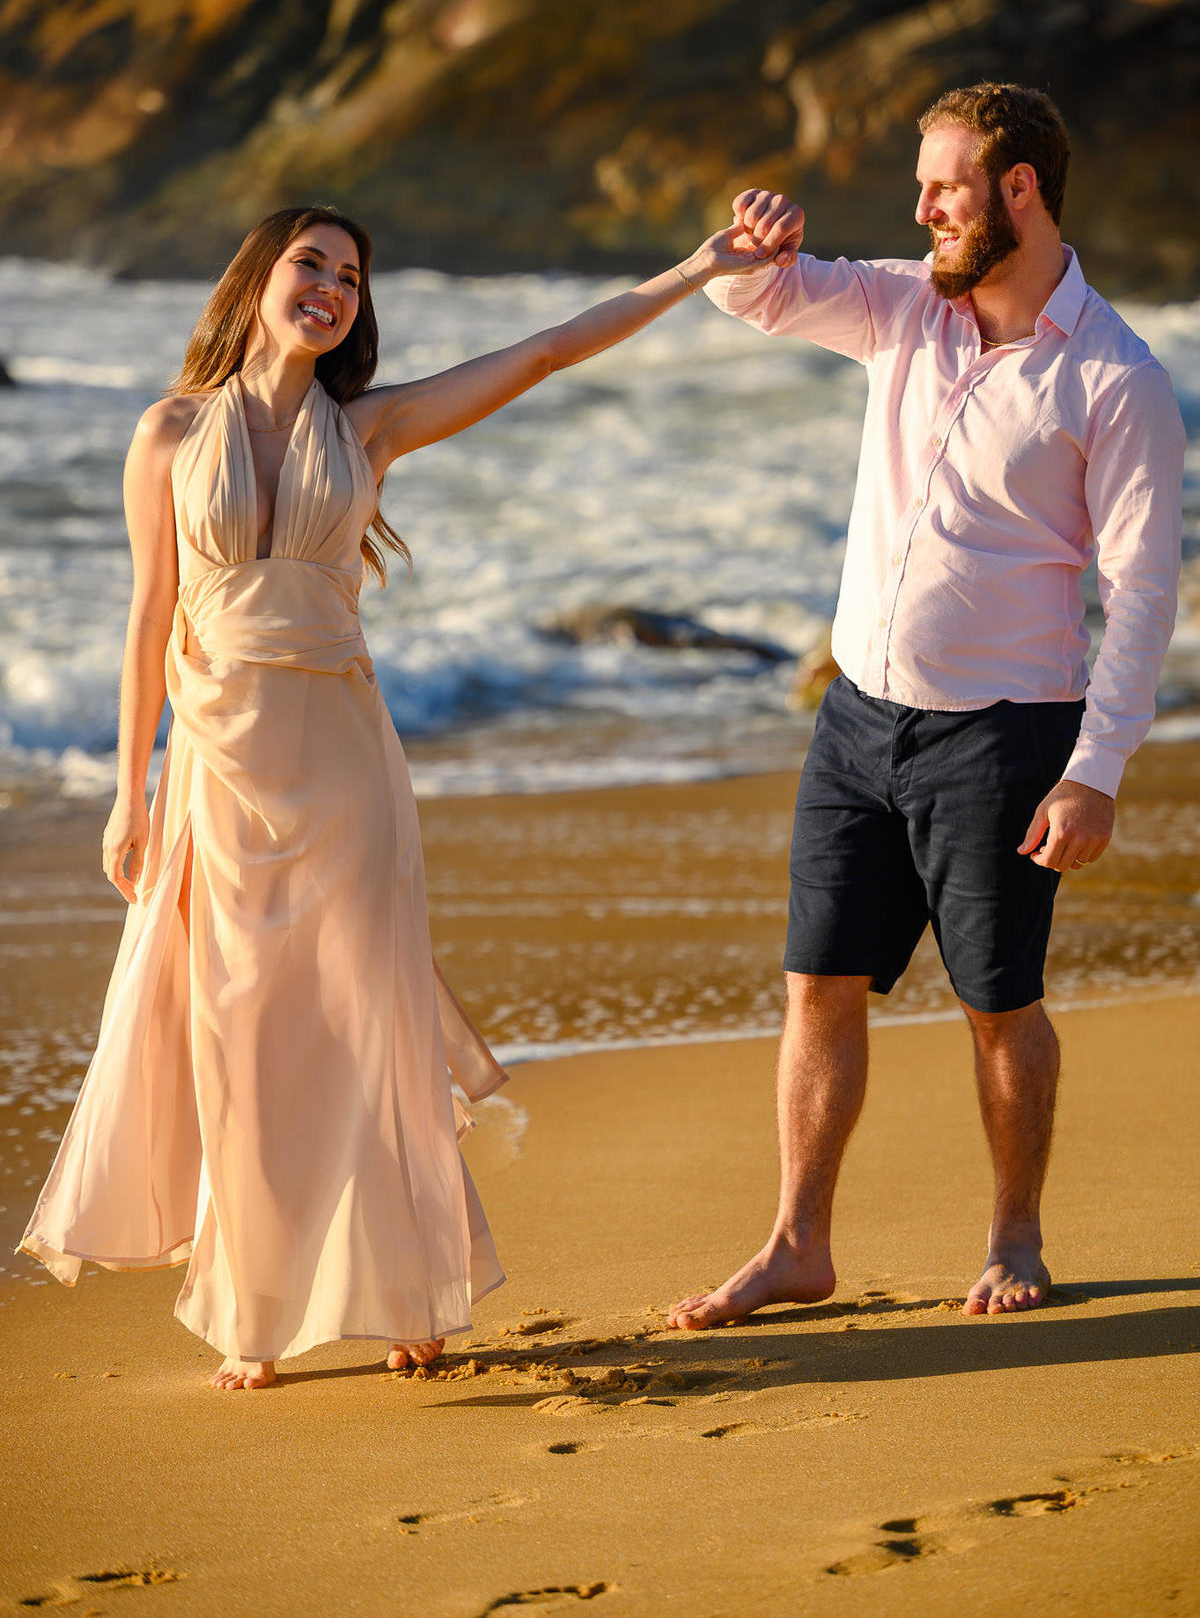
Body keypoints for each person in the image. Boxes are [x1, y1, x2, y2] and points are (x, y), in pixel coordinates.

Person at [20, 204, 791, 1389]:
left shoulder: (369, 429)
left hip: (344, 769)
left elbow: (542, 351)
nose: (330, 288)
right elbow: (145, 623)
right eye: (309, 264)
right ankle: (252, 1310)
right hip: (216, 772)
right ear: (257, 279)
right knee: (239, 1036)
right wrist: (129, 794)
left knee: (366, 1024)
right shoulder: (169, 433)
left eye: (350, 277)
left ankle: (405, 1283)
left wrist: (699, 267)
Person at [668, 82, 1185, 1330]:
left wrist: (1095, 771)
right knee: (819, 979)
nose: (922, 210)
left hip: (1006, 738)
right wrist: (752, 248)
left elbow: (1143, 595)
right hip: (855, 720)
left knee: (998, 1003)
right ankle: (797, 1243)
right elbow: (761, 298)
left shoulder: (1116, 379)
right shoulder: (907, 305)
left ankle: (1016, 1234)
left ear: (1020, 191)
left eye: (944, 187)